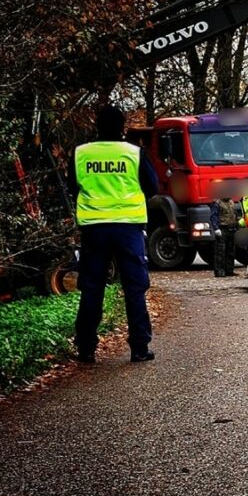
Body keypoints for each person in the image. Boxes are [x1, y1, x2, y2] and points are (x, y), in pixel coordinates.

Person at [68, 106, 158, 363]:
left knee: (92, 288)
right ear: (122, 126)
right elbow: (151, 187)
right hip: (128, 227)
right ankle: (139, 347)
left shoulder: (81, 153)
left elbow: (73, 186)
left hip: (94, 228)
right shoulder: (134, 153)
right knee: (134, 288)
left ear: (96, 124)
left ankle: (86, 349)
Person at [210, 187, 241, 277]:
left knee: (231, 251)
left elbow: (235, 214)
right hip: (222, 229)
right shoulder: (217, 203)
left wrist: (237, 224)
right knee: (220, 251)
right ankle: (219, 271)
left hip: (231, 229)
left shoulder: (231, 202)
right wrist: (216, 228)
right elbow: (213, 216)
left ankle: (229, 270)